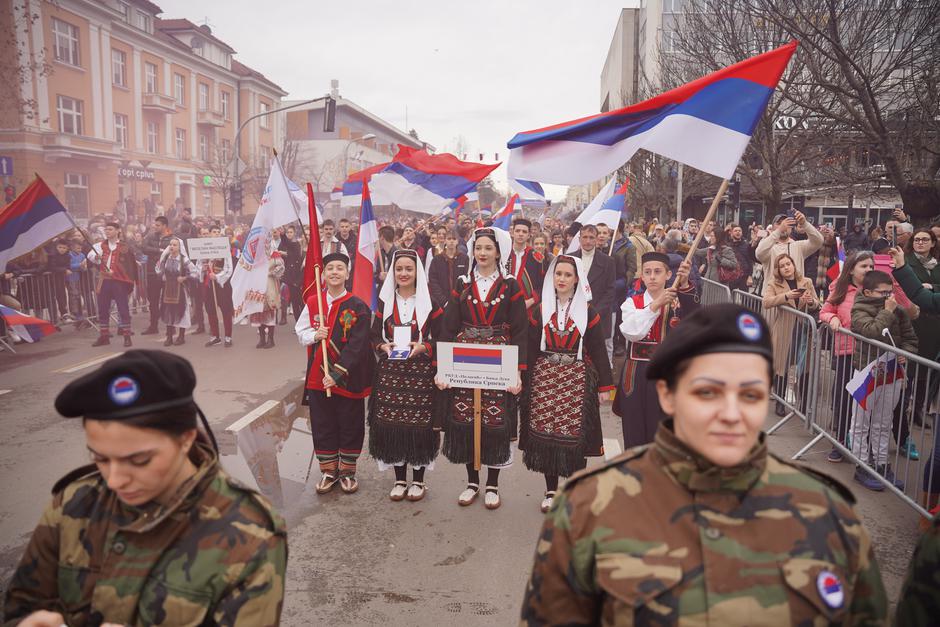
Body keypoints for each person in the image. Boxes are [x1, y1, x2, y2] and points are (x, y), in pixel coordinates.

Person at [521, 304, 888, 625]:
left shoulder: (828, 515)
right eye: (708, 392)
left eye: (750, 394)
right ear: (667, 393)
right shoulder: (589, 507)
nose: (731, 414)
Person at [4, 350, 287, 626]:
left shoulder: (250, 533)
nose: (114, 480)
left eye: (139, 460)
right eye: (99, 458)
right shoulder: (74, 503)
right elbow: (21, 605)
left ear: (186, 439)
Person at [434, 227, 527, 510]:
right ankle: (472, 481)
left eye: (488, 248)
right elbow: (449, 326)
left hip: (499, 361)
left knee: (494, 422)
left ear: (499, 252)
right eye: (478, 248)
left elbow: (521, 330)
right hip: (465, 359)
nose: (482, 253)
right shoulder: (462, 284)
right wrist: (442, 368)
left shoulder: (511, 285)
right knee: (466, 421)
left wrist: (518, 371)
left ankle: (492, 484)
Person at [520, 255, 613, 513]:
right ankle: (550, 490)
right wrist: (522, 376)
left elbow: (597, 349)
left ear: (577, 279)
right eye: (557, 274)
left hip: (577, 380)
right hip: (544, 379)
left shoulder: (588, 312)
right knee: (547, 437)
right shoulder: (540, 310)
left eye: (567, 275)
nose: (561, 279)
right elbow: (529, 347)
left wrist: (605, 386)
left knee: (575, 438)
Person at [295, 252, 375, 494]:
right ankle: (329, 471)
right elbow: (300, 331)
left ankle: (348, 472)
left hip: (348, 377)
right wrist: (314, 335)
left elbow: (358, 345)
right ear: (324, 274)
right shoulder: (312, 302)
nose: (334, 272)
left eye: (340, 268)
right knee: (323, 424)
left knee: (350, 423)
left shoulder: (358, 306)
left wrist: (338, 374)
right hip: (318, 377)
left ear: (347, 274)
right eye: (330, 268)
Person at [369, 250, 444, 502]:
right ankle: (400, 478)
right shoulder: (384, 301)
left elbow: (444, 336)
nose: (403, 273)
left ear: (417, 272)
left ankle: (419, 481)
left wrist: (425, 347)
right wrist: (382, 346)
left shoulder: (429, 301)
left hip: (420, 373)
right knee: (393, 426)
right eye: (398, 269)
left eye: (408, 269)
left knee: (418, 428)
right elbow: (374, 335)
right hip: (391, 373)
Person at [615, 252, 696, 449]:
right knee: (634, 434)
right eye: (648, 272)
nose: (652, 276)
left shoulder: (679, 303)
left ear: (668, 275)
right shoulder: (631, 303)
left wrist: (685, 285)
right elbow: (631, 332)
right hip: (635, 376)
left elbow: (697, 323)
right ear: (641, 276)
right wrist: (655, 306)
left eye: (657, 272)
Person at [849, 270, 917, 492]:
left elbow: (909, 337)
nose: (889, 296)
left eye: (890, 292)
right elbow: (871, 332)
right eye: (883, 292)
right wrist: (887, 312)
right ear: (868, 292)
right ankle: (861, 465)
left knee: (883, 421)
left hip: (892, 372)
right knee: (861, 423)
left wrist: (905, 353)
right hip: (867, 371)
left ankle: (881, 464)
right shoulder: (859, 308)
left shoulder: (897, 309)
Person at [818, 251, 875, 466]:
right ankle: (840, 442)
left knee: (866, 403)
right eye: (864, 266)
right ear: (851, 269)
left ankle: (862, 446)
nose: (869, 270)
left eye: (871, 266)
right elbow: (824, 311)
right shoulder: (839, 288)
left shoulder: (879, 290)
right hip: (846, 353)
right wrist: (832, 318)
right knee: (843, 400)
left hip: (872, 355)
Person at [762, 253, 819, 417]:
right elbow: (766, 302)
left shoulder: (806, 281)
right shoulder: (774, 283)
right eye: (782, 266)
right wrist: (786, 296)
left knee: (804, 367)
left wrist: (810, 301)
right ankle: (780, 403)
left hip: (804, 330)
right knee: (782, 367)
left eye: (789, 264)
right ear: (778, 270)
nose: (786, 267)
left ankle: (803, 405)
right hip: (784, 330)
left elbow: (817, 303)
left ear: (794, 265)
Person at [86, 222, 136, 347]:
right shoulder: (100, 245)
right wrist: (97, 258)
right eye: (106, 229)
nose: (107, 231)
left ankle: (127, 336)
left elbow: (129, 265)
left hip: (119, 282)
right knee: (103, 309)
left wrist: (119, 272)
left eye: (110, 229)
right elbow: (90, 255)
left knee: (123, 308)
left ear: (118, 230)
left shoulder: (124, 247)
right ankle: (104, 336)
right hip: (104, 280)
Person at [571, 224, 616, 361]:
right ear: (579, 239)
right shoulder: (570, 259)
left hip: (598, 315)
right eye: (585, 237)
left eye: (591, 237)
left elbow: (610, 291)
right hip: (573, 314)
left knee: (597, 357)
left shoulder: (608, 261)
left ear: (597, 239)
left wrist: (593, 311)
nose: (588, 241)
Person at [755, 211, 823, 292]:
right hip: (773, 298)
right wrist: (778, 231)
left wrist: (805, 223)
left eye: (787, 224)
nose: (784, 226)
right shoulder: (769, 247)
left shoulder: (798, 246)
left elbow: (818, 241)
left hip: (796, 297)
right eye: (779, 223)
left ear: (791, 228)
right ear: (772, 228)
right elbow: (759, 253)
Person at [154, 237, 199, 346]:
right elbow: (158, 269)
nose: (172, 247)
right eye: (171, 245)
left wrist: (184, 278)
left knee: (182, 311)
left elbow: (195, 273)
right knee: (168, 311)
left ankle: (181, 336)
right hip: (168, 290)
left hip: (180, 290)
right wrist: (162, 275)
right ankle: (169, 337)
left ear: (179, 247)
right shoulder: (165, 259)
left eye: (175, 245)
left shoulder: (184, 260)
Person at [201, 224, 235, 348]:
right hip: (209, 285)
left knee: (225, 310)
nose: (216, 233)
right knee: (210, 310)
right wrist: (203, 269)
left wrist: (218, 276)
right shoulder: (204, 248)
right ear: (210, 233)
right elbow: (199, 264)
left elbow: (229, 268)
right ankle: (215, 336)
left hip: (222, 285)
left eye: (217, 231)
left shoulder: (224, 247)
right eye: (213, 231)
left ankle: (228, 336)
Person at [140, 216, 172, 335]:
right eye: (155, 224)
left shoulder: (171, 238)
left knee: (167, 301)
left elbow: (172, 252)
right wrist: (159, 251)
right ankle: (153, 326)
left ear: (164, 226)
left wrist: (162, 253)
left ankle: (171, 326)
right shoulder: (150, 236)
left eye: (158, 225)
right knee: (152, 301)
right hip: (152, 272)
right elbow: (143, 248)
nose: (155, 227)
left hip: (166, 274)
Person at [507, 217, 547, 311]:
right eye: (518, 231)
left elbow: (544, 286)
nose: (521, 234)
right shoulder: (504, 253)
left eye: (524, 232)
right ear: (512, 233)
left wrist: (531, 301)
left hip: (528, 307)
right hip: (505, 305)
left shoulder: (538, 258)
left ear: (529, 235)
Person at [250, 248, 284, 349]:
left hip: (269, 285)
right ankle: (262, 339)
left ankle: (270, 339)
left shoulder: (273, 253)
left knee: (270, 311)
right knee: (258, 311)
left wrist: (270, 273)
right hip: (257, 286)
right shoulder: (253, 253)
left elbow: (281, 267)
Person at [427, 229, 469, 307]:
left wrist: (459, 298)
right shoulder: (437, 259)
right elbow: (433, 280)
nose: (451, 241)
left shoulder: (464, 258)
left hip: (459, 301)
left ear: (458, 241)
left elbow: (466, 279)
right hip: (441, 302)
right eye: (449, 239)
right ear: (445, 240)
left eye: (454, 239)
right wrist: (443, 301)